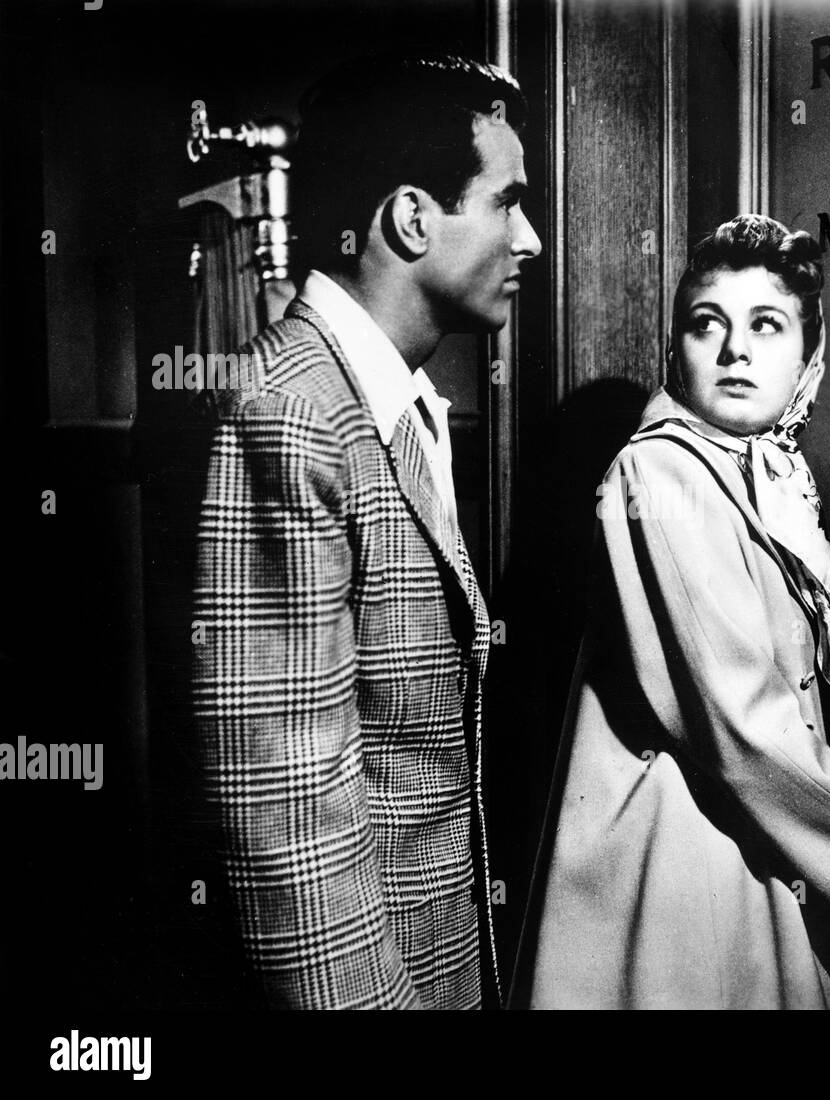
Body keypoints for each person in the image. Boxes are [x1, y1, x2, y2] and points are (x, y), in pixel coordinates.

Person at [512, 214, 830, 1009]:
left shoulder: (764, 476)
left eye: (767, 325)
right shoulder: (661, 475)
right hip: (687, 866)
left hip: (757, 843)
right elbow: (745, 725)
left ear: (807, 356)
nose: (735, 351)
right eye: (705, 324)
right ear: (676, 350)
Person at [189, 54, 541, 1009]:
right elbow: (289, 822)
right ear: (412, 219)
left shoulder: (386, 399)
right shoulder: (293, 411)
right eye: (507, 203)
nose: (533, 239)